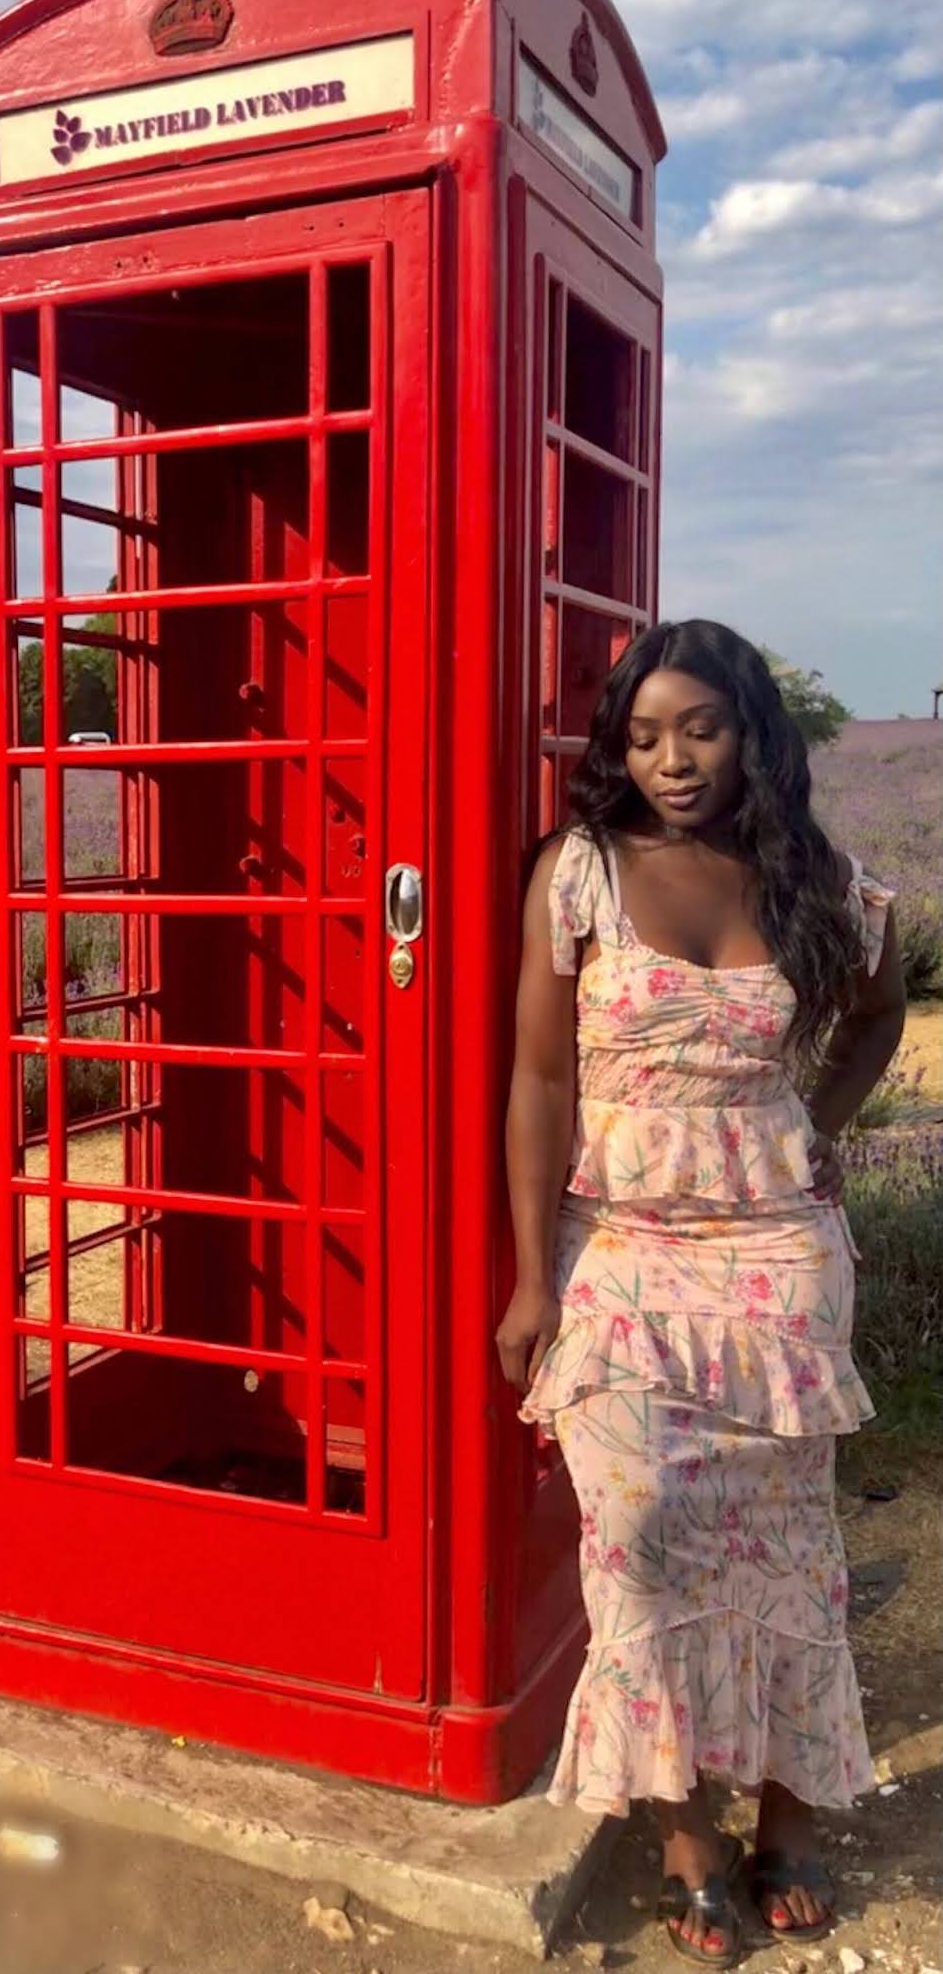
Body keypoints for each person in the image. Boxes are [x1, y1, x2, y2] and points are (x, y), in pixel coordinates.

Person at [497, 620, 905, 1966]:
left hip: (778, 1259)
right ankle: (685, 1841)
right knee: (639, 1553)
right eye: (644, 734)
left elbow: (881, 1009)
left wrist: (820, 1123)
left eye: (702, 730)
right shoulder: (581, 876)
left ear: (755, 736)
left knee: (790, 1554)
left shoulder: (818, 880)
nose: (671, 760)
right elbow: (542, 1083)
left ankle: (786, 1819)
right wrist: (526, 1280)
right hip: (617, 1256)